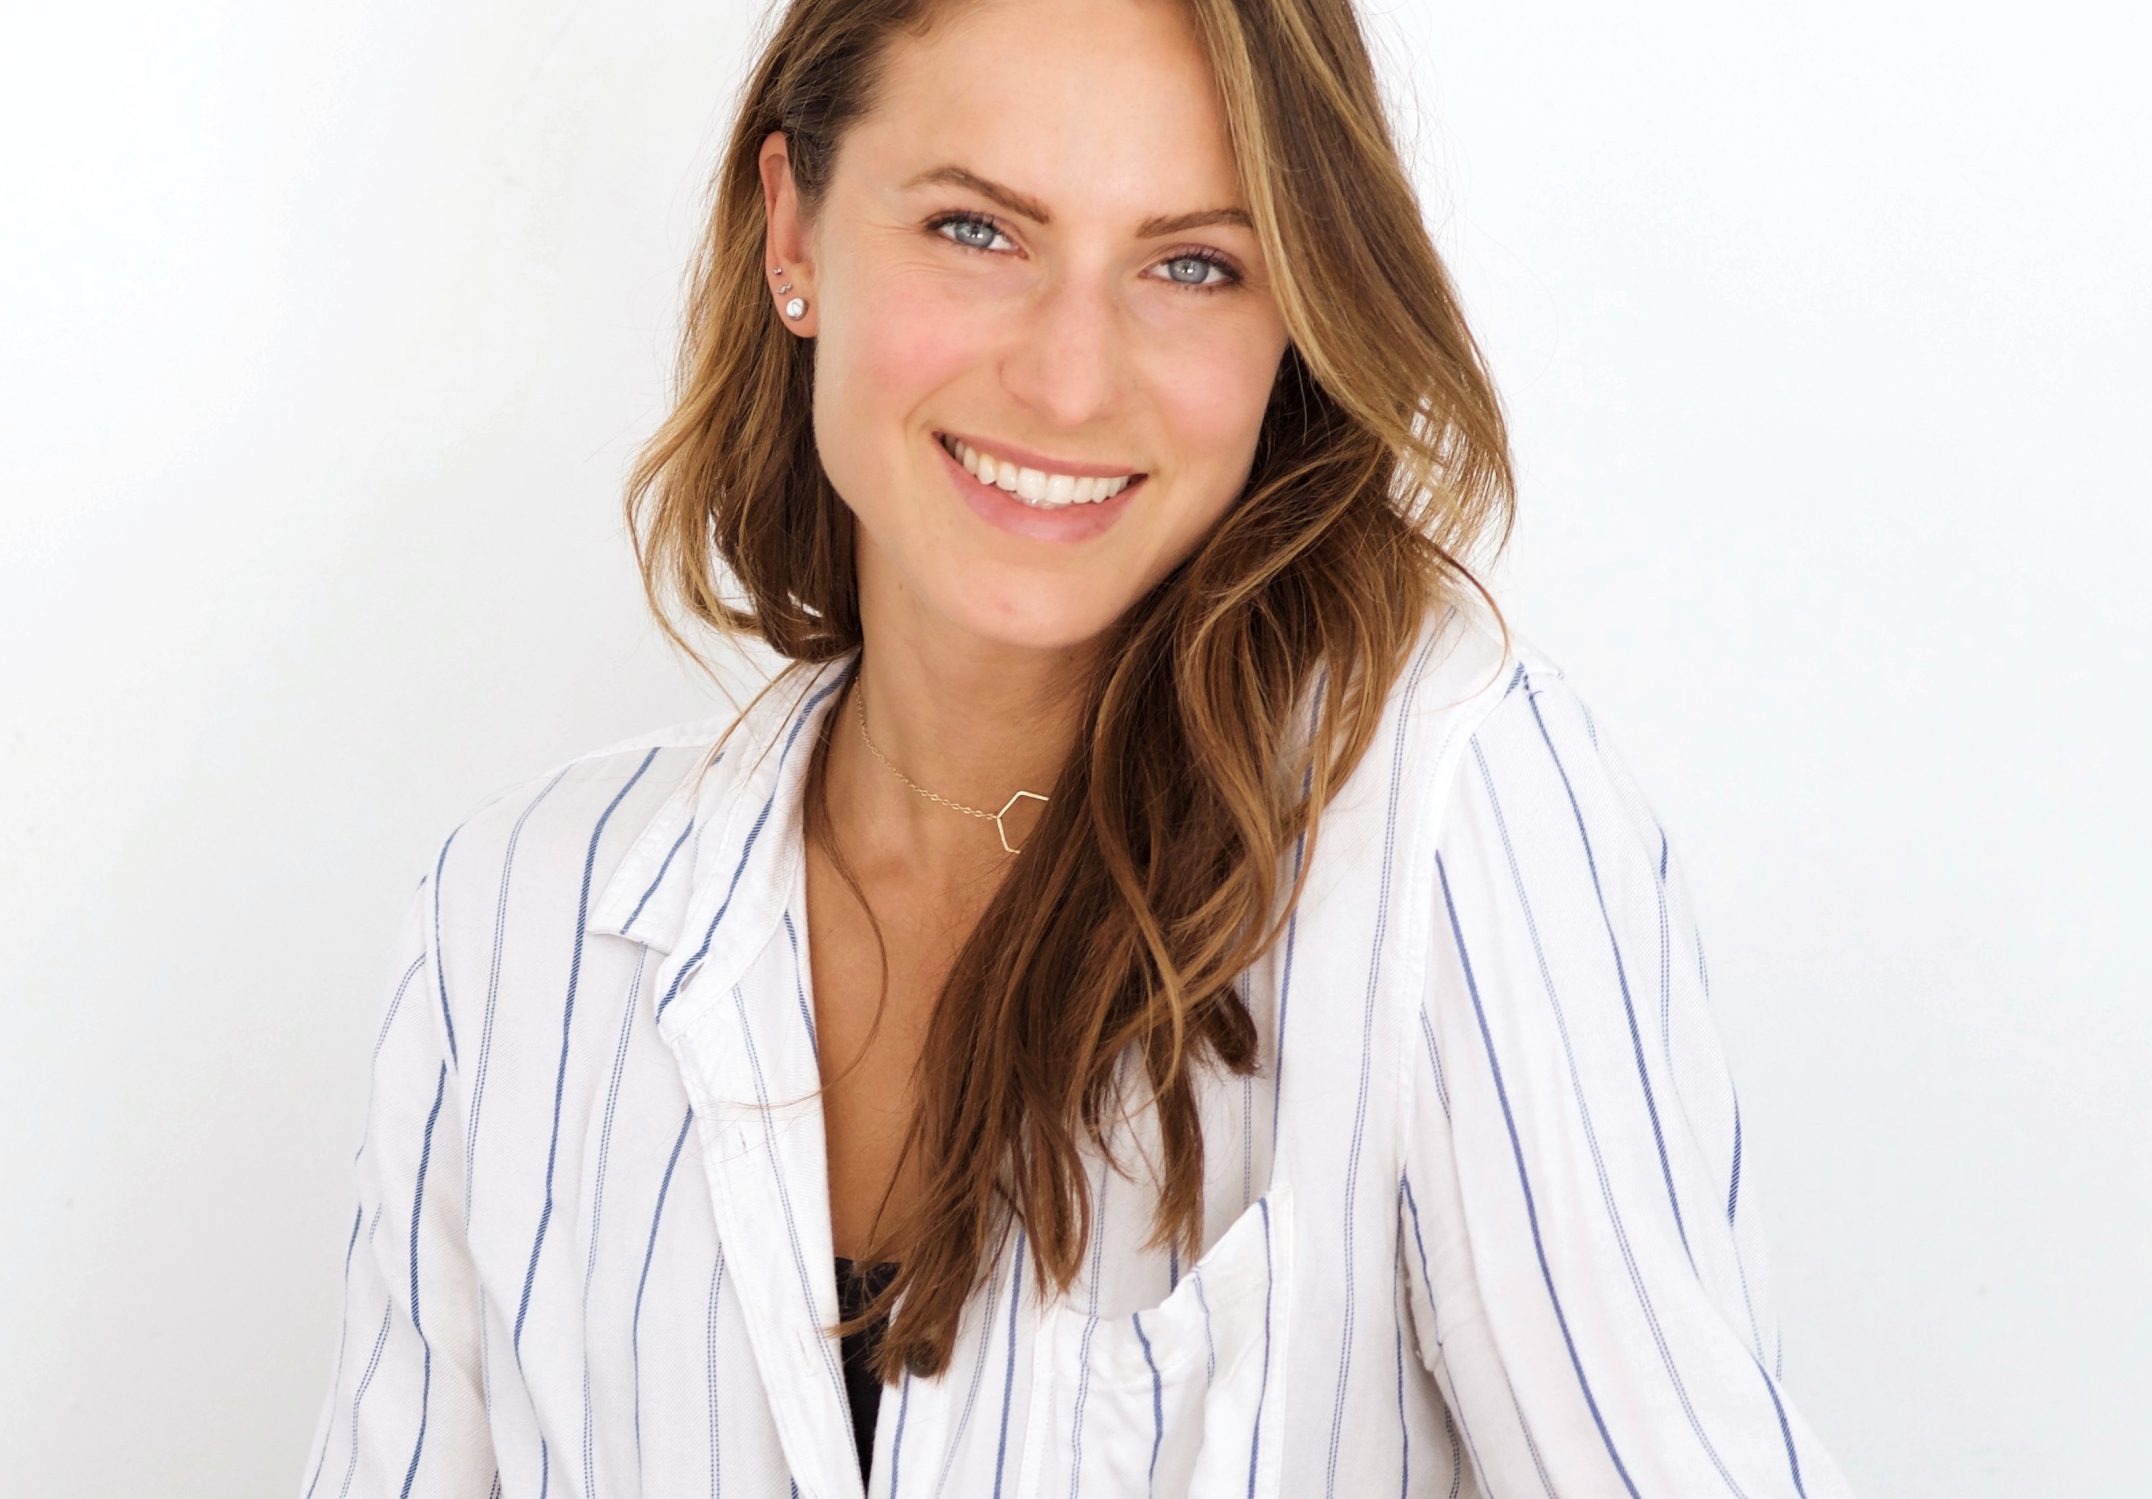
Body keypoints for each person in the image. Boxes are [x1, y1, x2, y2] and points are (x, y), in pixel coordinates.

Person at [292, 0, 1859, 1494]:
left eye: (1192, 265)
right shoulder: (516, 923)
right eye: (977, 231)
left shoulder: (1446, 818)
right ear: (794, 233)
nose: (1068, 377)